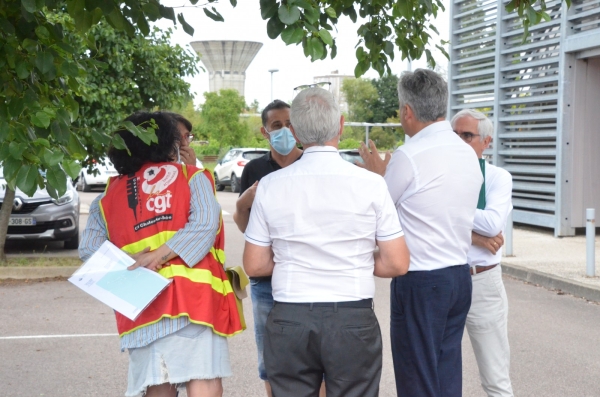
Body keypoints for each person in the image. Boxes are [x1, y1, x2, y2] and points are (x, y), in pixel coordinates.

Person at [243, 87, 410, 397]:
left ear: (293, 131)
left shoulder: (270, 185)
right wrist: (356, 257)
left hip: (290, 316)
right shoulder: (371, 184)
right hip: (352, 317)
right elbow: (397, 262)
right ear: (341, 125)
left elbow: (254, 264)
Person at [79, 111, 243, 397]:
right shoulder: (191, 177)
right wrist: (161, 255)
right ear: (168, 144)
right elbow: (205, 224)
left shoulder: (105, 200)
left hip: (142, 306)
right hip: (194, 303)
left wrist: (133, 262)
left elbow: (89, 251)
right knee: (202, 379)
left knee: (157, 385)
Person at [358, 68, 483, 397]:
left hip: (421, 281)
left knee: (417, 380)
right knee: (445, 376)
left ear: (407, 112)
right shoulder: (466, 153)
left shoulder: (409, 155)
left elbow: (378, 216)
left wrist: (376, 176)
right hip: (458, 276)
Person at [232, 99, 303, 397]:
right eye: (277, 126)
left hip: (304, 277)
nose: (284, 130)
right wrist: (243, 202)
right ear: (264, 131)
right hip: (265, 281)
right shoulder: (255, 169)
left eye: (289, 124)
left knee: (310, 360)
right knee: (270, 360)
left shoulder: (310, 163)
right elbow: (245, 225)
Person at [451, 109, 514, 397]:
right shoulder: (440, 175)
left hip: (482, 283)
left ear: (486, 142)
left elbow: (492, 225)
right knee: (440, 374)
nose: (459, 141)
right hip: (445, 279)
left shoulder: (498, 177)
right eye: (454, 135)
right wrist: (474, 236)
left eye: (467, 135)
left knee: (495, 378)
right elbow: (419, 225)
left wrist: (446, 209)